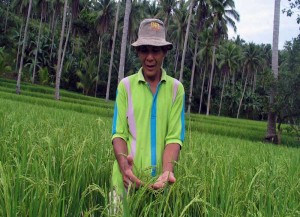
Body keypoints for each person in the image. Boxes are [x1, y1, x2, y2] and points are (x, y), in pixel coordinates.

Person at [111, 18, 185, 197]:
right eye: (144, 50)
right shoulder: (125, 86)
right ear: (137, 51)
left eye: (156, 50)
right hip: (125, 180)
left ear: (165, 52)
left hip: (160, 186)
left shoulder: (176, 89)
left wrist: (167, 171)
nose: (150, 57)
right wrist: (123, 166)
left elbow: (174, 138)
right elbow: (118, 133)